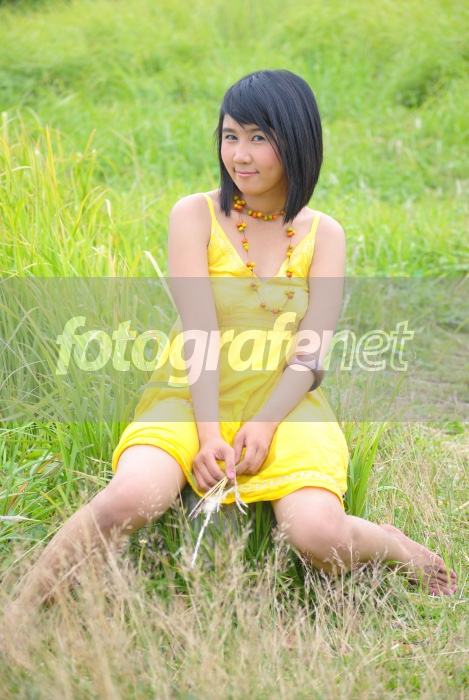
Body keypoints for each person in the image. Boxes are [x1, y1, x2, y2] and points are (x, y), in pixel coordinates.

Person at [9, 69, 457, 611]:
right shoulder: (194, 215)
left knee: (319, 536)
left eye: (258, 138)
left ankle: (394, 545)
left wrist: (264, 423)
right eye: (230, 136)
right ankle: (20, 614)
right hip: (190, 394)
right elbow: (199, 331)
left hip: (285, 404)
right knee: (130, 497)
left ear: (297, 141)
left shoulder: (325, 235)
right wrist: (206, 434)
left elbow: (312, 354)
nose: (239, 155)